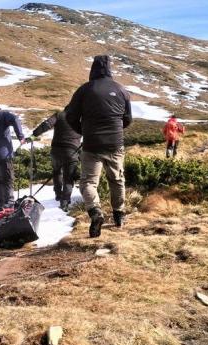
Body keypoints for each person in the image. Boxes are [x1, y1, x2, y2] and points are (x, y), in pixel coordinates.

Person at [65, 55, 132, 238]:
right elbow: (127, 119)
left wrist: (83, 131)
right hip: (115, 143)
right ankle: (119, 215)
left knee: (88, 182)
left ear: (92, 70)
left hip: (92, 144)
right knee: (117, 179)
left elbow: (70, 116)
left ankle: (95, 212)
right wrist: (116, 130)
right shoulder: (121, 90)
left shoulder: (84, 90)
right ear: (109, 69)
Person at [28, 109, 82, 211]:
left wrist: (33, 135)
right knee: (69, 177)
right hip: (72, 151)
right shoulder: (81, 118)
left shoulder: (60, 115)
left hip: (56, 150)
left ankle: (58, 194)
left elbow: (46, 125)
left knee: (57, 172)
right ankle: (65, 201)